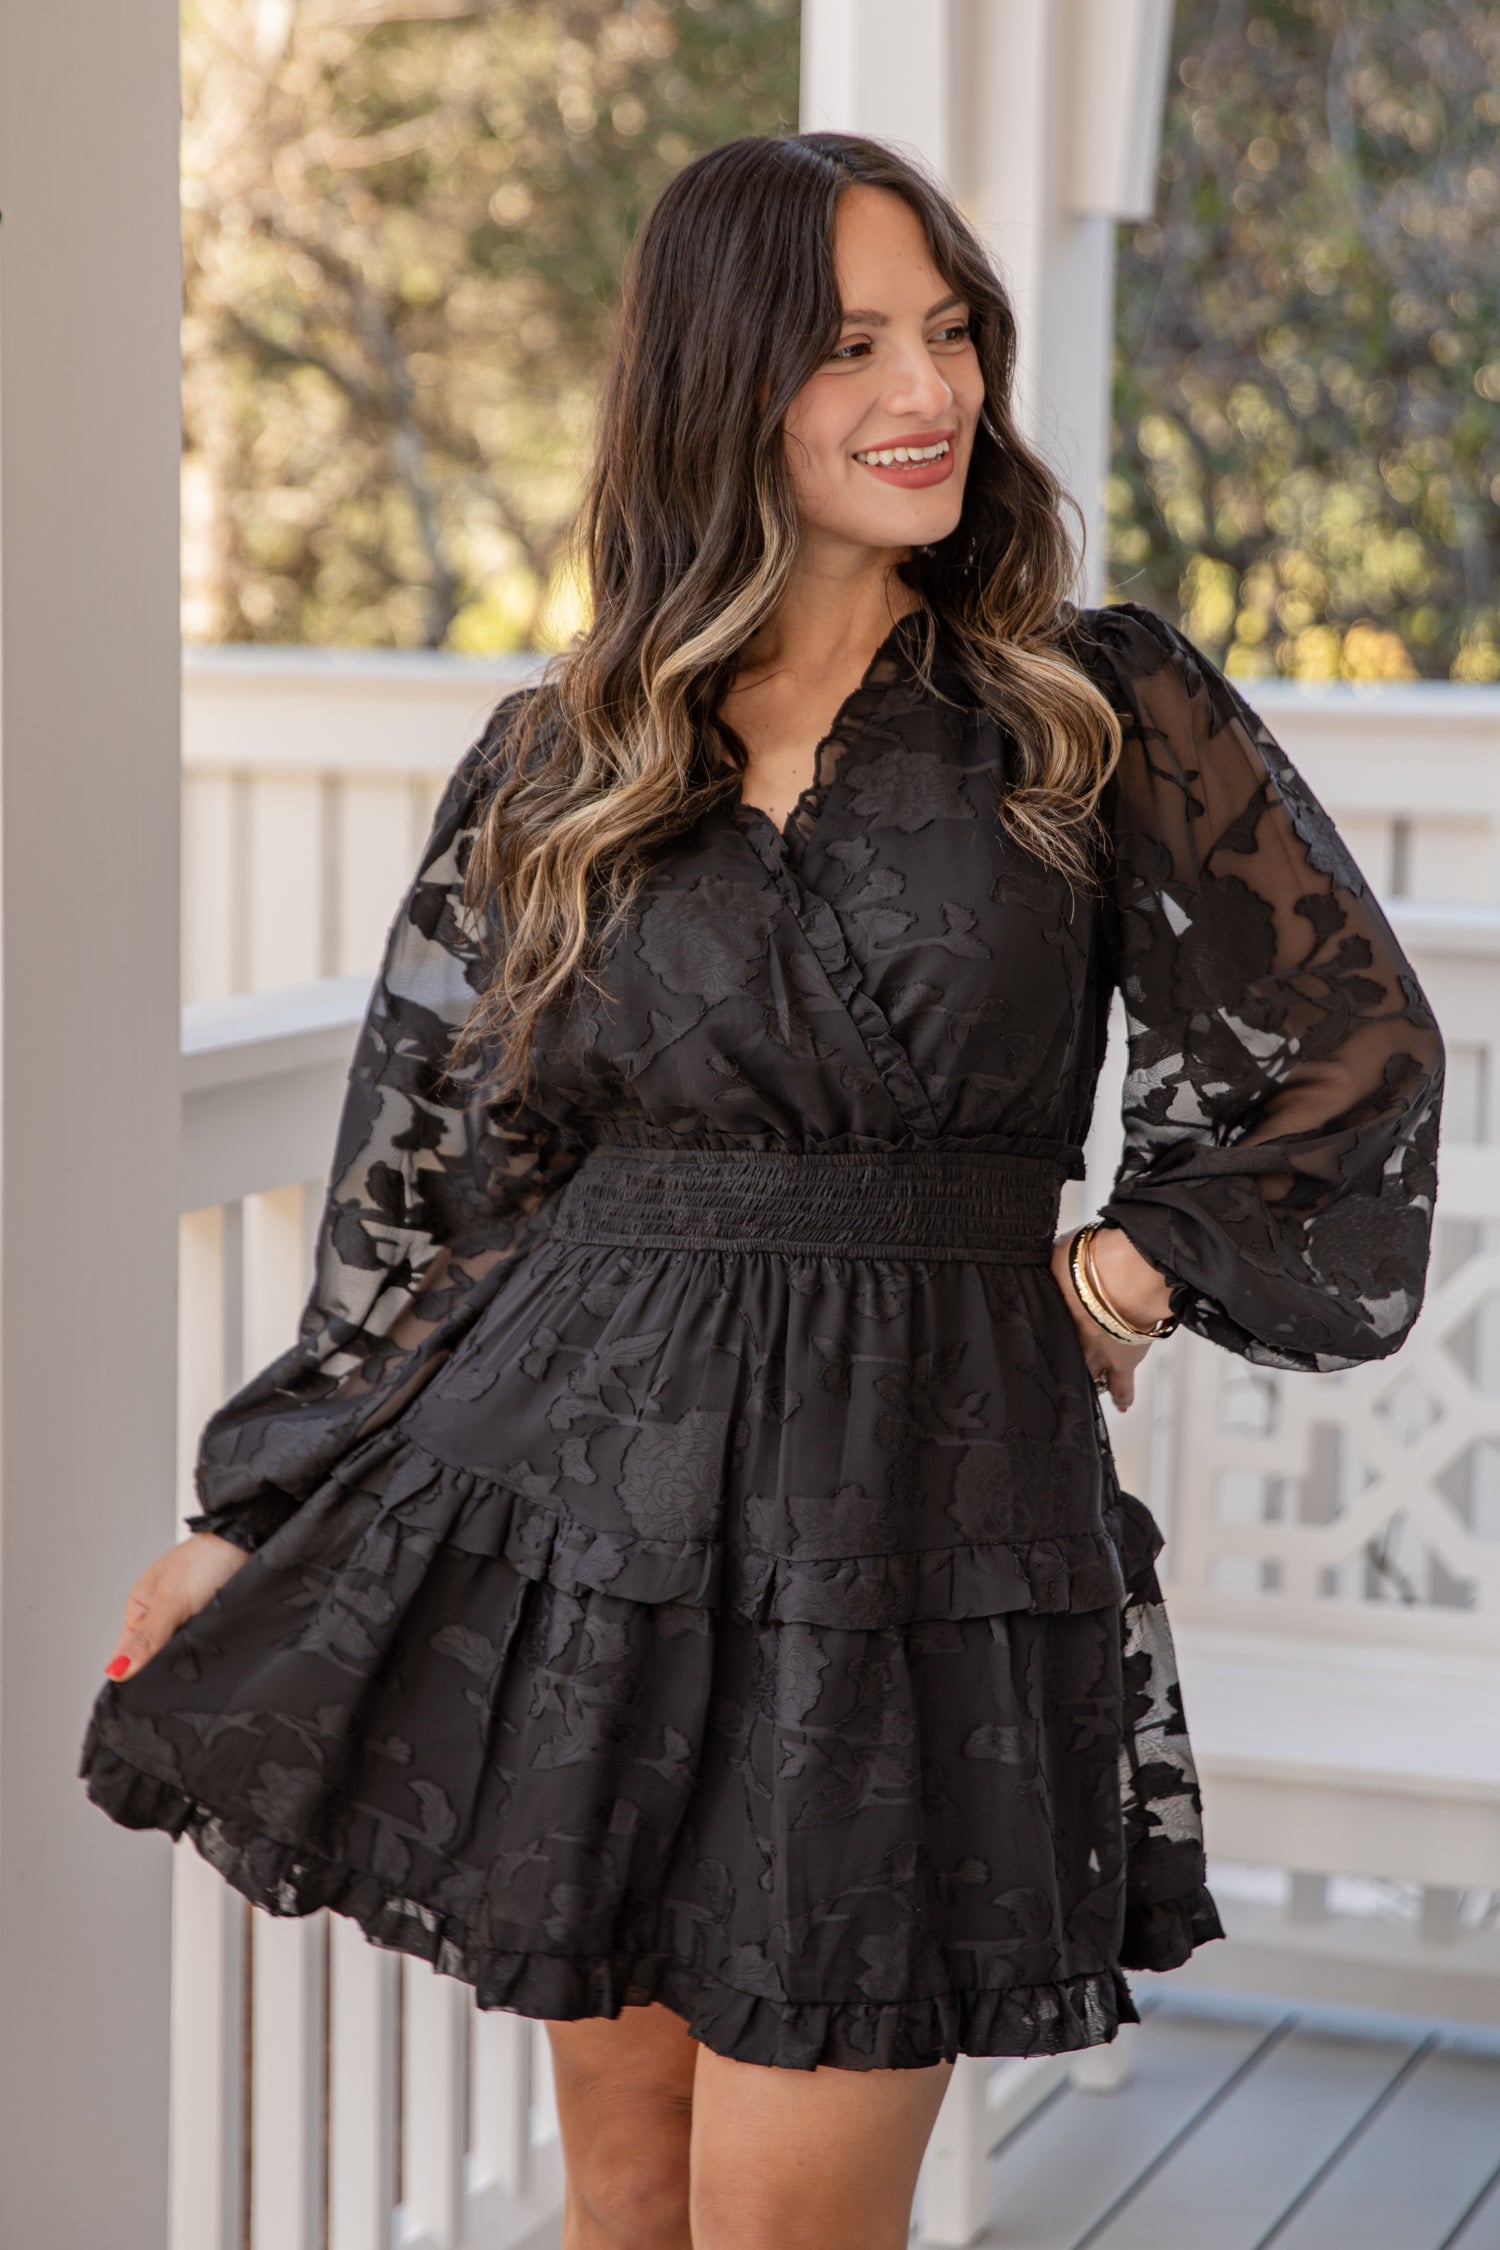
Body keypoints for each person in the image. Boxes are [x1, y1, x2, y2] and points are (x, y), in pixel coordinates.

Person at [79, 131, 1443, 2250]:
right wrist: (248, 1514)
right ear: (723, 384)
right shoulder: (569, 753)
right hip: (597, 1526)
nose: (930, 389)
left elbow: (1354, 1049)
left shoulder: (1093, 703)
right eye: (852, 346)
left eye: (951, 332)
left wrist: (1123, 1269)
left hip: (916, 1520)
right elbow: (437, 1188)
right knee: (628, 2199)